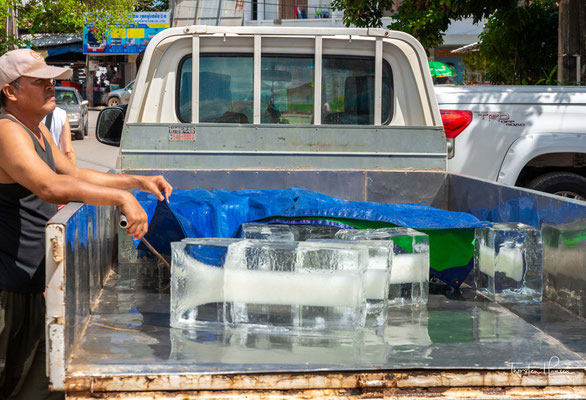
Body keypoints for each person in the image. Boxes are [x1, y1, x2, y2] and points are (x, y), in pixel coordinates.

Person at [0, 49, 173, 399]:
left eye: (52, 80)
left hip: (33, 282)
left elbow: (73, 174)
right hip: (9, 287)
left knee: (36, 385)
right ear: (11, 91)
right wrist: (121, 200)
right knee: (11, 382)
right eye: (40, 82)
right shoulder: (7, 130)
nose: (52, 87)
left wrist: (136, 182)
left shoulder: (36, 130)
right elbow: (48, 185)